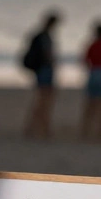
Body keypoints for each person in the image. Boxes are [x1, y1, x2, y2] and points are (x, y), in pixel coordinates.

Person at [21, 10, 60, 140]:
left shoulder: (40, 35)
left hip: (40, 71)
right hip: (45, 71)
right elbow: (47, 55)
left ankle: (33, 127)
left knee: (40, 100)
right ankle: (42, 128)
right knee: (44, 101)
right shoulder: (45, 37)